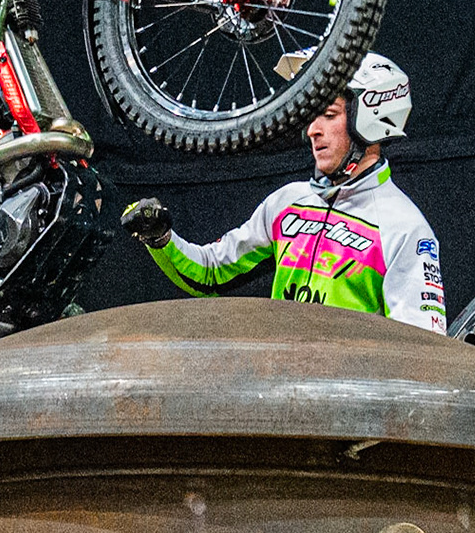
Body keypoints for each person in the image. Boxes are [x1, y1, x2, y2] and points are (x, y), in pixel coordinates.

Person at [120, 53, 447, 333]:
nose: (312, 129)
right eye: (311, 115)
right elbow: (210, 273)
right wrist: (161, 239)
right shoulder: (287, 203)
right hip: (281, 393)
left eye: (329, 115)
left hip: (348, 403)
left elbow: (422, 353)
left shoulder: (403, 227)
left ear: (372, 121)